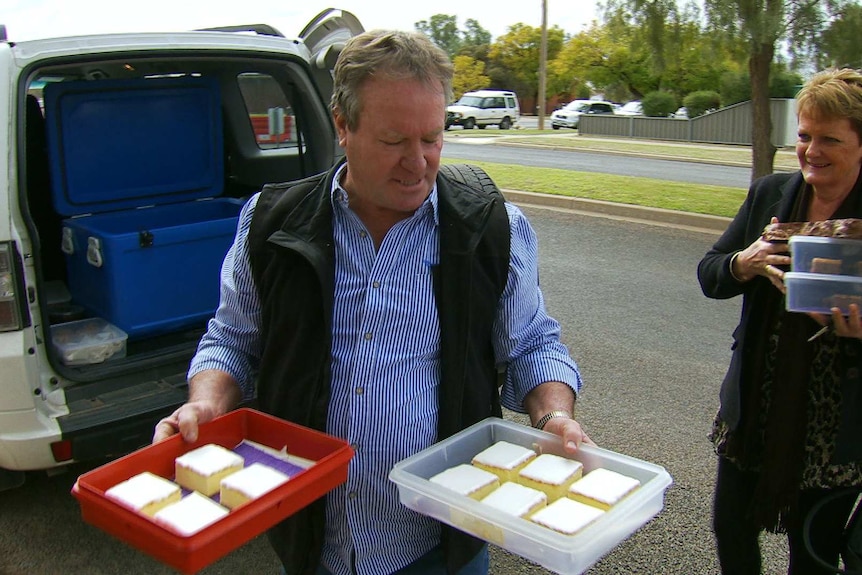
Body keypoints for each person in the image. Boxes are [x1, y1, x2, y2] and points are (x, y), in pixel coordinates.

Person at [152, 29, 586, 575]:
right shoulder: (271, 222)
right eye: (393, 141)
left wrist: (554, 418)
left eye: (432, 138)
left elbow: (531, 345)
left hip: (444, 543)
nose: (418, 162)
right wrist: (206, 406)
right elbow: (233, 340)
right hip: (316, 541)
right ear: (342, 126)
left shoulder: (490, 227)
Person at [697, 67, 862, 575]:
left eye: (829, 139)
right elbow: (710, 274)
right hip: (756, 406)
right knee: (731, 527)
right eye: (805, 136)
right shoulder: (771, 194)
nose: (812, 151)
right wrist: (741, 263)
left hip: (833, 426)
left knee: (813, 554)